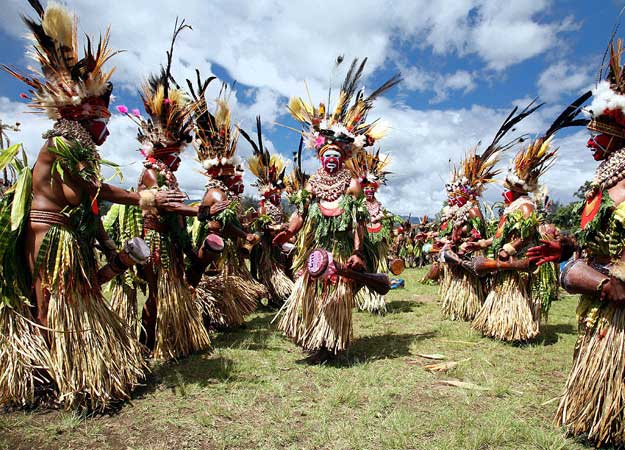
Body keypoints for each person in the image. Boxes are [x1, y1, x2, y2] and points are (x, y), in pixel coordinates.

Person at [0, 1, 185, 410]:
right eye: (103, 117)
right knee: (54, 299)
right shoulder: (64, 143)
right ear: (86, 114)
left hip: (69, 231)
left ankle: (76, 372)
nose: (107, 126)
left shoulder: (78, 148)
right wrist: (144, 197)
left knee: (79, 292)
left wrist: (109, 251)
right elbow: (95, 192)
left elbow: (88, 204)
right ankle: (55, 376)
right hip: (49, 233)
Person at [528, 42, 625, 446]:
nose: (588, 142)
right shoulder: (601, 187)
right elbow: (593, 243)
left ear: (617, 133)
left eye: (596, 135)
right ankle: (603, 419)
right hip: (602, 299)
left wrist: (612, 279)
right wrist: (567, 247)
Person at [273, 57, 400, 363]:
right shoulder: (312, 184)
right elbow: (301, 214)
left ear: (342, 158)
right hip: (317, 249)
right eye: (326, 155)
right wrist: (288, 231)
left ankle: (332, 344)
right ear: (320, 157)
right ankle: (316, 339)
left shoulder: (352, 185)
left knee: (339, 294)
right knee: (312, 292)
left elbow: (358, 221)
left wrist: (358, 251)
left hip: (342, 249)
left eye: (336, 156)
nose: (331, 160)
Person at [117, 19, 211, 359]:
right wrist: (197, 210)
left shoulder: (167, 175)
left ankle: (168, 342)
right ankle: (144, 345)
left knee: (172, 291)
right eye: (175, 156)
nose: (179, 163)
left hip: (169, 240)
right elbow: (167, 207)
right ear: (163, 152)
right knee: (156, 294)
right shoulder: (152, 174)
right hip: (154, 241)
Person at [472, 95, 588, 342]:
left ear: (516, 188)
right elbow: (502, 232)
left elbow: (527, 232)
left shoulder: (525, 207)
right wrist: (484, 243)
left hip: (518, 259)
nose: (504, 190)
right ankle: (499, 325)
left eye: (508, 187)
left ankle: (515, 328)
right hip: (505, 256)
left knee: (513, 291)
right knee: (503, 290)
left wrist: (511, 247)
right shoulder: (512, 207)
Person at [187, 76, 266, 329]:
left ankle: (218, 318)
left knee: (217, 280)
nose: (236, 174)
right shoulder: (218, 193)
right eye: (233, 170)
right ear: (224, 170)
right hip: (213, 246)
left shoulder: (221, 191)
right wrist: (245, 234)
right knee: (212, 280)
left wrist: (244, 228)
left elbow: (228, 221)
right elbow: (226, 225)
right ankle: (210, 319)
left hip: (218, 247)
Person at [241, 118, 294, 306]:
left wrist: (285, 229)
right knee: (267, 270)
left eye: (279, 192)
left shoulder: (279, 205)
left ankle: (276, 296)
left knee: (277, 267)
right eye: (275, 192)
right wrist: (277, 226)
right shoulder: (263, 204)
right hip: (264, 244)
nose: (278, 194)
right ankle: (270, 296)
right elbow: (261, 224)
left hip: (276, 244)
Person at [347, 148, 396, 314]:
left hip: (378, 242)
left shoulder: (380, 206)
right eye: (366, 188)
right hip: (364, 241)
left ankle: (377, 301)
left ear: (375, 189)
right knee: (366, 268)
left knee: (378, 267)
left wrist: (380, 219)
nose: (368, 191)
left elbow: (386, 220)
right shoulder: (358, 204)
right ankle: (365, 299)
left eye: (371, 189)